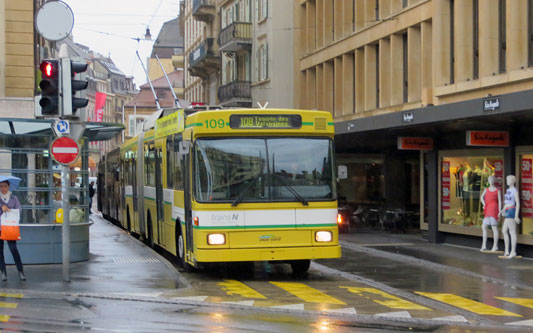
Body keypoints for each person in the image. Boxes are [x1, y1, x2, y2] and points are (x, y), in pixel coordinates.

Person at [0, 180, 25, 281]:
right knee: (0, 251)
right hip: (0, 228)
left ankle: (20, 271)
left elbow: (19, 211)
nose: (3, 188)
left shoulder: (14, 198)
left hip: (10, 228)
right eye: (1, 186)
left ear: (9, 186)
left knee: (13, 249)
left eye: (5, 186)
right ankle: (3, 272)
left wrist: (9, 210)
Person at [500, 175, 521, 258]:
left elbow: (517, 203)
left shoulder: (515, 191)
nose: (507, 181)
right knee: (504, 231)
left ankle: (512, 251)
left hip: (511, 210)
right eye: (507, 179)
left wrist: (516, 215)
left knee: (511, 232)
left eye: (509, 179)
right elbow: (506, 202)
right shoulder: (508, 190)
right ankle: (507, 250)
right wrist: (502, 210)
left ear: (513, 181)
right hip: (507, 210)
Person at [480, 176, 501, 252]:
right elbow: (481, 197)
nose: (491, 181)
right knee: (484, 226)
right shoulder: (486, 189)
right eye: (489, 179)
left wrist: (499, 212)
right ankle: (484, 245)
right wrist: (484, 204)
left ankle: (495, 246)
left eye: (492, 179)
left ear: (494, 180)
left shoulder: (497, 190)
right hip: (488, 208)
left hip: (494, 209)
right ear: (488, 181)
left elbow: (500, 202)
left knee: (494, 227)